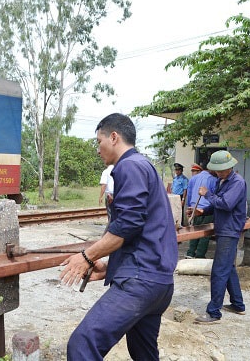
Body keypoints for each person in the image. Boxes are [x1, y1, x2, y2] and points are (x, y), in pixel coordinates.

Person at [60, 113, 178, 360]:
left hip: (140, 281)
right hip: (159, 283)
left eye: (99, 141)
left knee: (82, 344)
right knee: (144, 353)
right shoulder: (145, 166)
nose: (98, 149)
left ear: (114, 137)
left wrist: (86, 256)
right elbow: (141, 227)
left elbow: (127, 224)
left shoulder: (129, 165)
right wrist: (110, 266)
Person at [194, 150, 247, 323]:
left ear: (230, 167)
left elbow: (226, 203)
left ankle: (214, 312)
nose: (219, 172)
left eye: (222, 170)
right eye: (217, 170)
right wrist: (204, 210)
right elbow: (218, 203)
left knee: (219, 270)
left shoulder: (237, 182)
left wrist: (207, 194)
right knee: (228, 267)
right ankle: (238, 305)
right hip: (223, 227)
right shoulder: (221, 180)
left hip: (229, 229)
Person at [185, 162, 217, 259]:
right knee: (205, 234)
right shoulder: (214, 180)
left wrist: (190, 208)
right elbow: (215, 197)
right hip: (207, 209)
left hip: (194, 208)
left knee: (194, 231)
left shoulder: (193, 179)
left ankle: (190, 253)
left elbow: (189, 195)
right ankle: (200, 255)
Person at [98, 164, 114, 229]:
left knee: (110, 214)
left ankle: (110, 231)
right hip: (119, 194)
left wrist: (100, 196)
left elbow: (104, 185)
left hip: (109, 194)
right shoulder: (120, 169)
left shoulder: (106, 171)